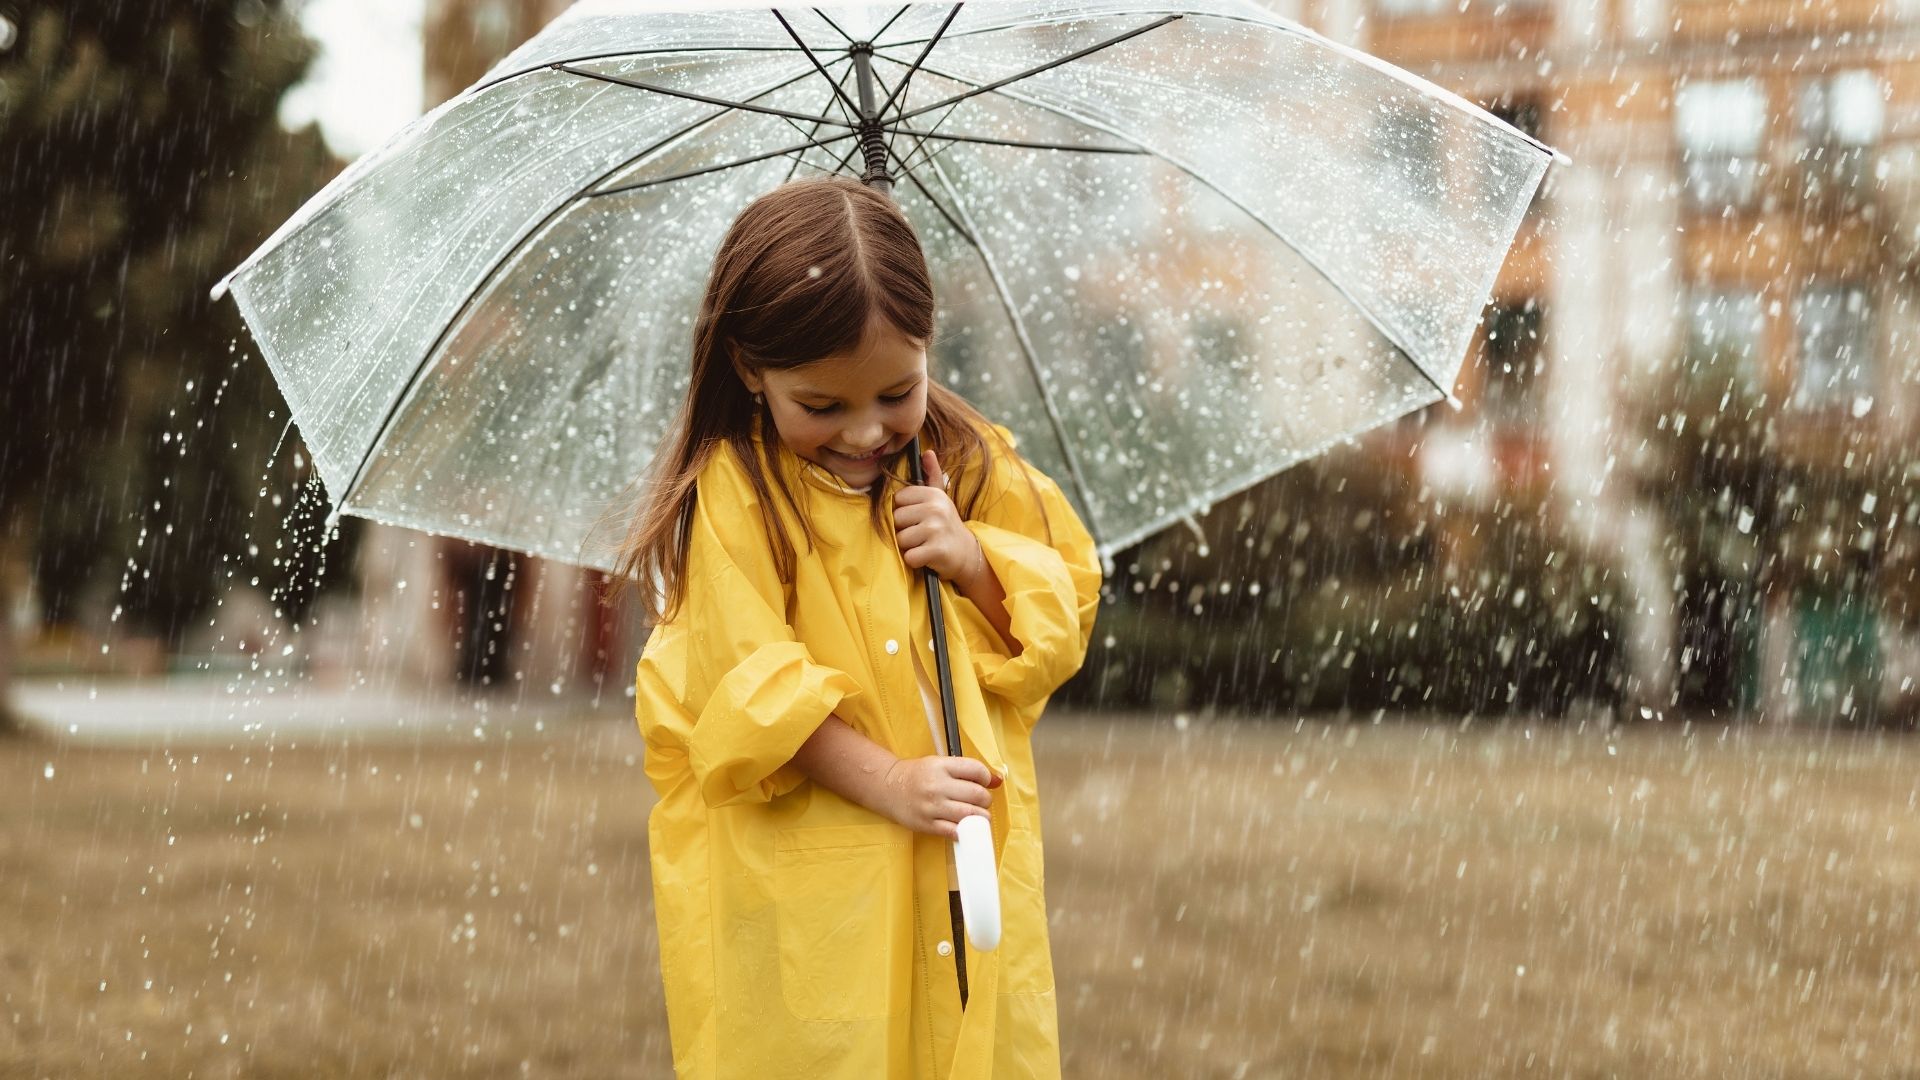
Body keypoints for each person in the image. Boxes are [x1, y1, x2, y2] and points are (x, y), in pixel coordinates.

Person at [616, 175, 1102, 1079]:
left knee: (966, 1046)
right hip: (821, 882)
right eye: (824, 406)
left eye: (896, 391)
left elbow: (1058, 616)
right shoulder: (739, 497)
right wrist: (888, 782)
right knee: (836, 1050)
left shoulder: (964, 462)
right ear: (749, 372)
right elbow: (752, 695)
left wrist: (973, 562)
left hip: (961, 860)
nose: (868, 430)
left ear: (928, 348)